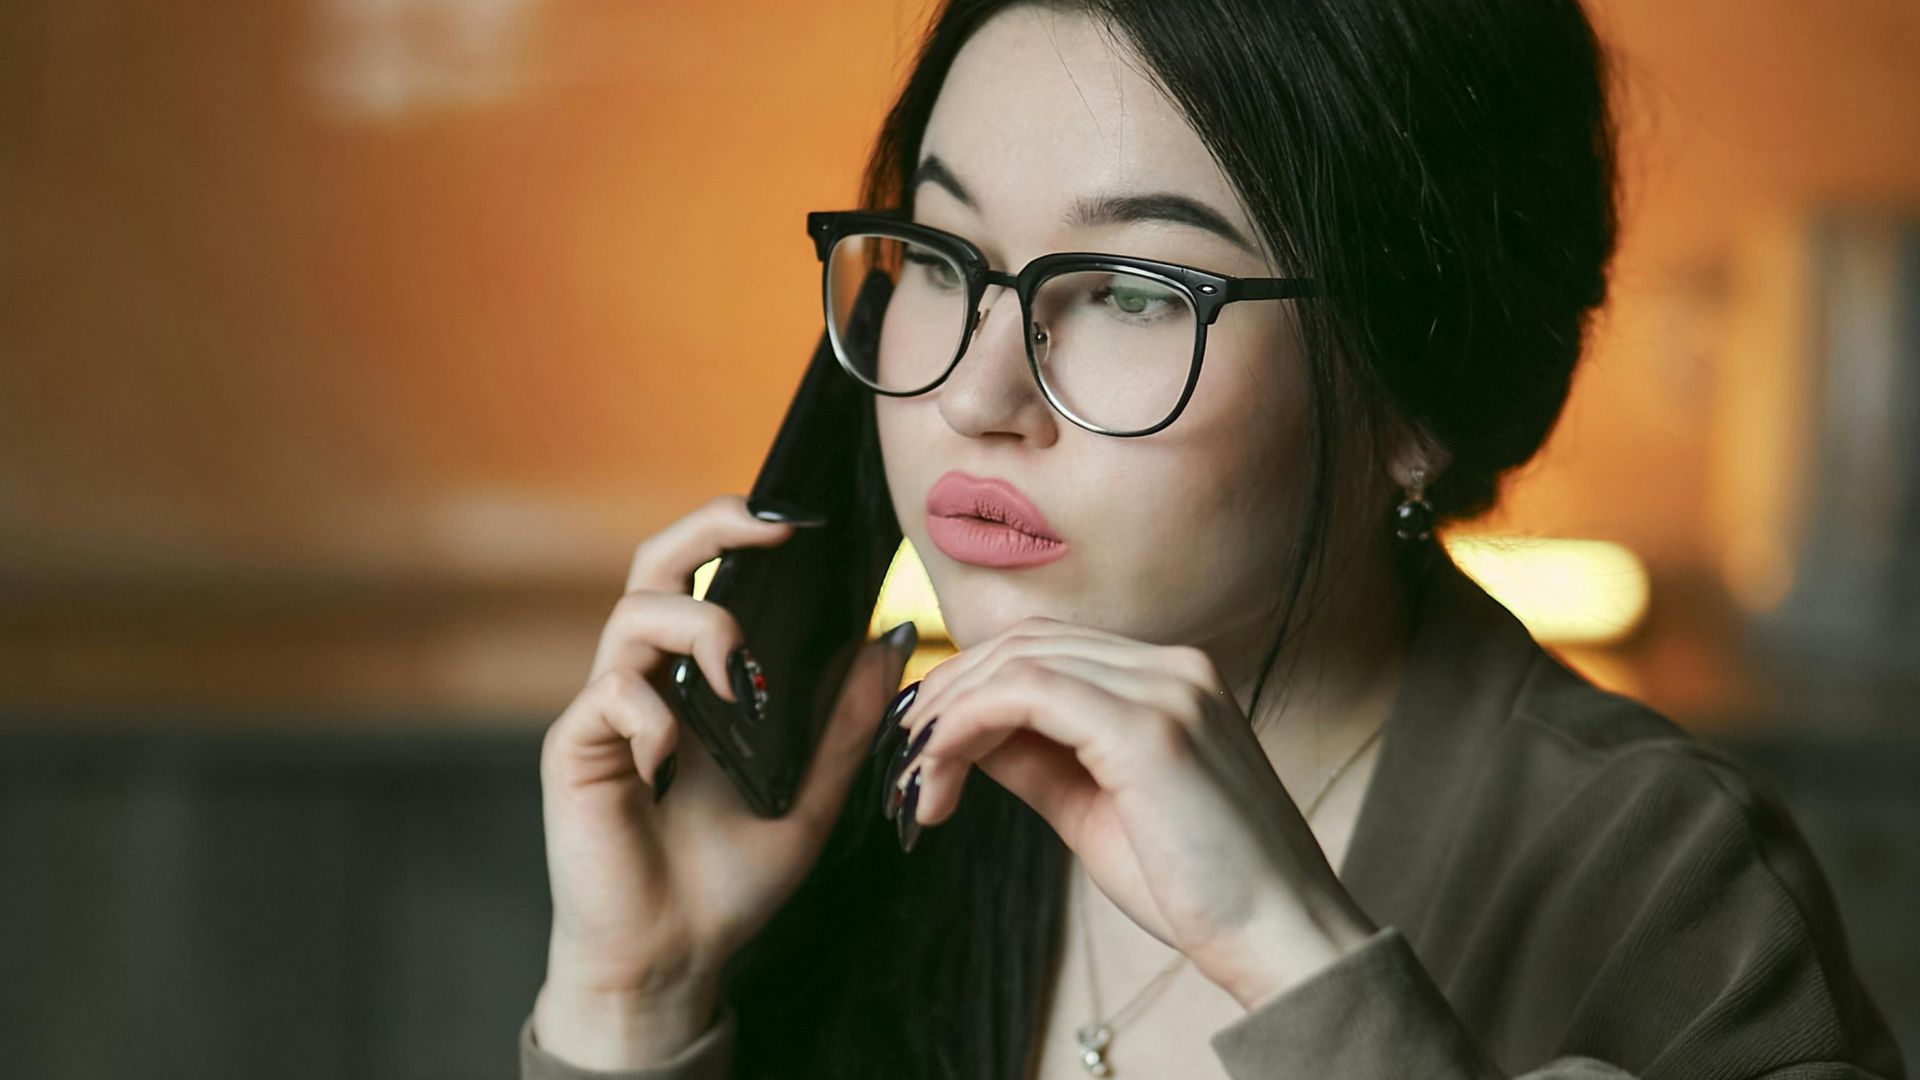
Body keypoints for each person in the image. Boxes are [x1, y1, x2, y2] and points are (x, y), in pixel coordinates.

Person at [519, 1, 1909, 1077]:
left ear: (1411, 395)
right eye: (941, 260)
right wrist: (633, 1001)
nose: (972, 394)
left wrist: (1302, 964)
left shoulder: (1667, 885)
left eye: (1128, 289)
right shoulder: (874, 812)